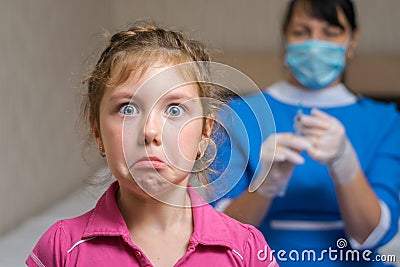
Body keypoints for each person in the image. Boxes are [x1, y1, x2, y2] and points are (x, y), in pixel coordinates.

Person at [26, 24, 278, 267]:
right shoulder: (61, 248)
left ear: (204, 132)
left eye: (175, 109)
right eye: (127, 108)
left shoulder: (246, 249)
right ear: (97, 131)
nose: (150, 131)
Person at [213, 0, 400, 266]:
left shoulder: (384, 121)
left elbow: (372, 234)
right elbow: (218, 232)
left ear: (352, 40)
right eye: (302, 32)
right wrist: (264, 186)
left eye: (330, 33)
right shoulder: (239, 115)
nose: (315, 44)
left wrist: (346, 165)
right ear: (285, 36)